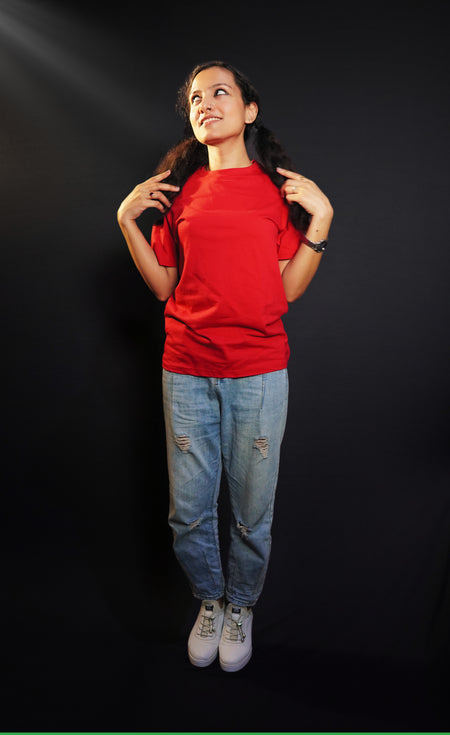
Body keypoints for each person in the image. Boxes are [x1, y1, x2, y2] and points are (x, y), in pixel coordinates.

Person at [117, 60, 333, 672]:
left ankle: (241, 606)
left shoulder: (276, 193)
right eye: (195, 98)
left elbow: (288, 291)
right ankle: (208, 602)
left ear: (250, 110)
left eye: (220, 92)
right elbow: (163, 285)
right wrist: (127, 221)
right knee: (187, 511)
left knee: (250, 512)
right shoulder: (182, 194)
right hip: (185, 369)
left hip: (258, 373)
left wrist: (320, 221)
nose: (206, 103)